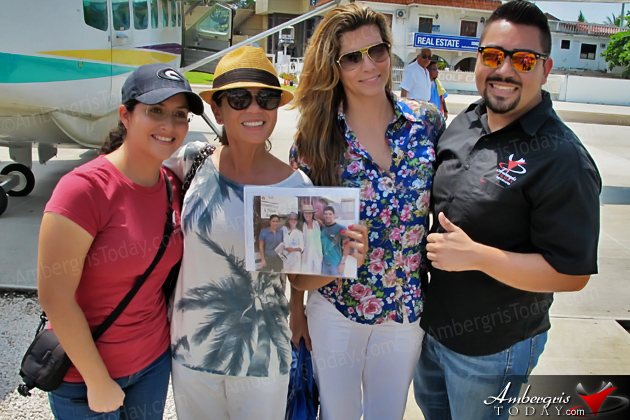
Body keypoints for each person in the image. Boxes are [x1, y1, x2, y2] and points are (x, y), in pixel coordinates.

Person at [414, 2, 602, 419]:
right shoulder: (466, 121)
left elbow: (572, 274)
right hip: (433, 331)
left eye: (523, 60)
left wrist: (478, 257)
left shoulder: (562, 158)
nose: (505, 70)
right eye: (494, 55)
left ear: (546, 68)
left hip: (494, 348)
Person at [162, 46, 354, 420]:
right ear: (217, 109)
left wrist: (342, 255)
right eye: (238, 99)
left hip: (262, 358)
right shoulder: (191, 161)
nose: (254, 109)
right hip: (191, 353)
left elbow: (298, 278)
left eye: (265, 98)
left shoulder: (296, 186)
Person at [288, 4, 444, 419]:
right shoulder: (314, 144)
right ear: (333, 67)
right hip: (337, 308)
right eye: (352, 57)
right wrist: (300, 307)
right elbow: (298, 265)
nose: (369, 65)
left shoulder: (426, 124)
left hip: (405, 308)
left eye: (377, 51)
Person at [37, 63, 204, 418]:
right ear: (125, 116)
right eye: (155, 111)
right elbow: (54, 296)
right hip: (84, 378)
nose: (169, 125)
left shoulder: (173, 185)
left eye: (180, 115)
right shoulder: (83, 189)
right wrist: (97, 380)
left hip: (153, 366)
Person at [320, 205, 347, 276]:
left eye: (330, 214)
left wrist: (342, 263)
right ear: (323, 215)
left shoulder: (341, 228)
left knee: (338, 285)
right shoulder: (322, 228)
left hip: (336, 264)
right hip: (324, 264)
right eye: (325, 214)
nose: (327, 216)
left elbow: (347, 246)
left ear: (334, 215)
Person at [300, 204, 323, 274]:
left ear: (312, 214)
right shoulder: (302, 225)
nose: (308, 215)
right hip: (307, 253)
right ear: (303, 214)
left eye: (309, 213)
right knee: (306, 272)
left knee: (317, 271)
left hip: (317, 252)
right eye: (306, 213)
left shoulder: (318, 223)